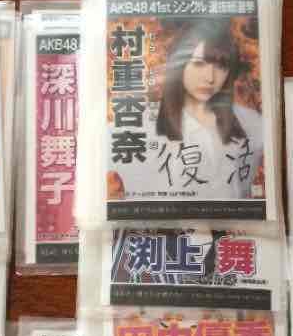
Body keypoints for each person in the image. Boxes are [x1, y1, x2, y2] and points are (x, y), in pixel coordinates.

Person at [112, 19, 264, 201]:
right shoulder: (137, 125)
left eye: (221, 66)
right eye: (199, 64)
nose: (210, 78)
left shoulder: (251, 122)